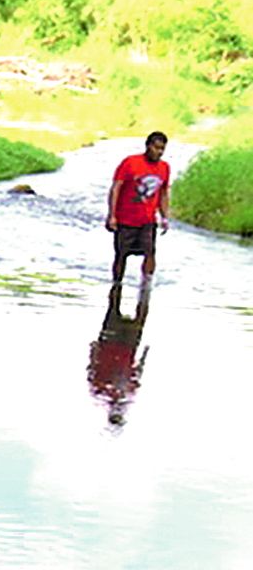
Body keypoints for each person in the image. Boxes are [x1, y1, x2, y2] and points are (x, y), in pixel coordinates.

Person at [106, 132, 172, 290]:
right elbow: (116, 188)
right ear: (148, 146)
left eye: (162, 149)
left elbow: (163, 193)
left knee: (150, 252)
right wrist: (112, 215)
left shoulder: (164, 168)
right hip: (126, 219)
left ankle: (146, 285)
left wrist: (164, 217)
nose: (159, 152)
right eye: (156, 148)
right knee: (122, 254)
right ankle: (116, 285)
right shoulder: (130, 163)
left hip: (148, 220)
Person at [86, 281, 149, 430]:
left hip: (110, 344)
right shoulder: (127, 394)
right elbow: (137, 373)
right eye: (120, 415)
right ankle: (144, 288)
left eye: (115, 415)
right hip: (127, 348)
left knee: (114, 309)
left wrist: (93, 350)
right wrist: (144, 356)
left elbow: (91, 369)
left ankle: (119, 284)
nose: (118, 411)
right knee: (139, 314)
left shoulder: (100, 392)